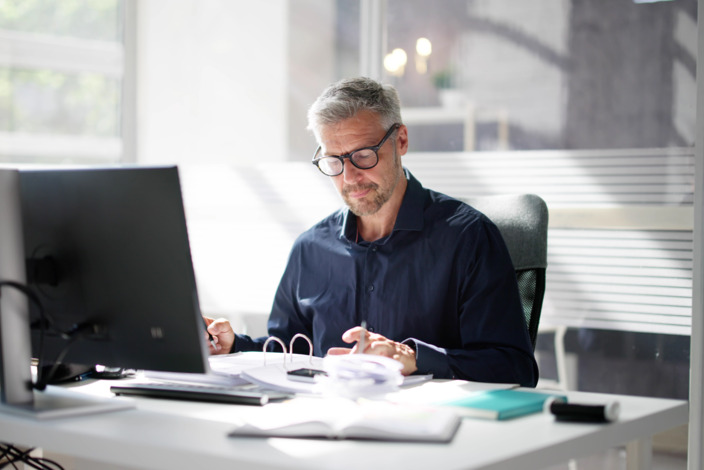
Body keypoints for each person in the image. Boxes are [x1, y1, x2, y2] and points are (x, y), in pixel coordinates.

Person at [206, 77, 538, 386]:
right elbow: (289, 353)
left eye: (363, 155)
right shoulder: (311, 248)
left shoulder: (469, 238)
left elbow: (514, 367)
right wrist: (233, 345)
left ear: (401, 140)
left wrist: (413, 358)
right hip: (327, 426)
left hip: (432, 431)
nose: (349, 177)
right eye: (334, 161)